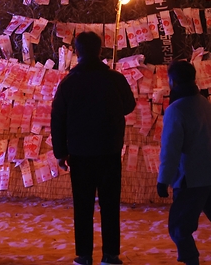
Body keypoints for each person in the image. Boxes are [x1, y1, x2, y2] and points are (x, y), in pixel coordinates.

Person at [51, 32, 136, 265]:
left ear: (77, 52)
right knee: (110, 203)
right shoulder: (114, 79)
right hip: (109, 150)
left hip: (79, 153)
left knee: (83, 204)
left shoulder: (69, 82)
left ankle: (84, 254)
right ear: (100, 50)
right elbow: (129, 105)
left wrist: (60, 152)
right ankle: (110, 254)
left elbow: (57, 118)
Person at [157, 60, 211, 265]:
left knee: (180, 225)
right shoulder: (205, 104)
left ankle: (191, 261)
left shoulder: (176, 110)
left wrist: (164, 179)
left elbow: (171, 148)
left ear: (173, 80)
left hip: (191, 177)